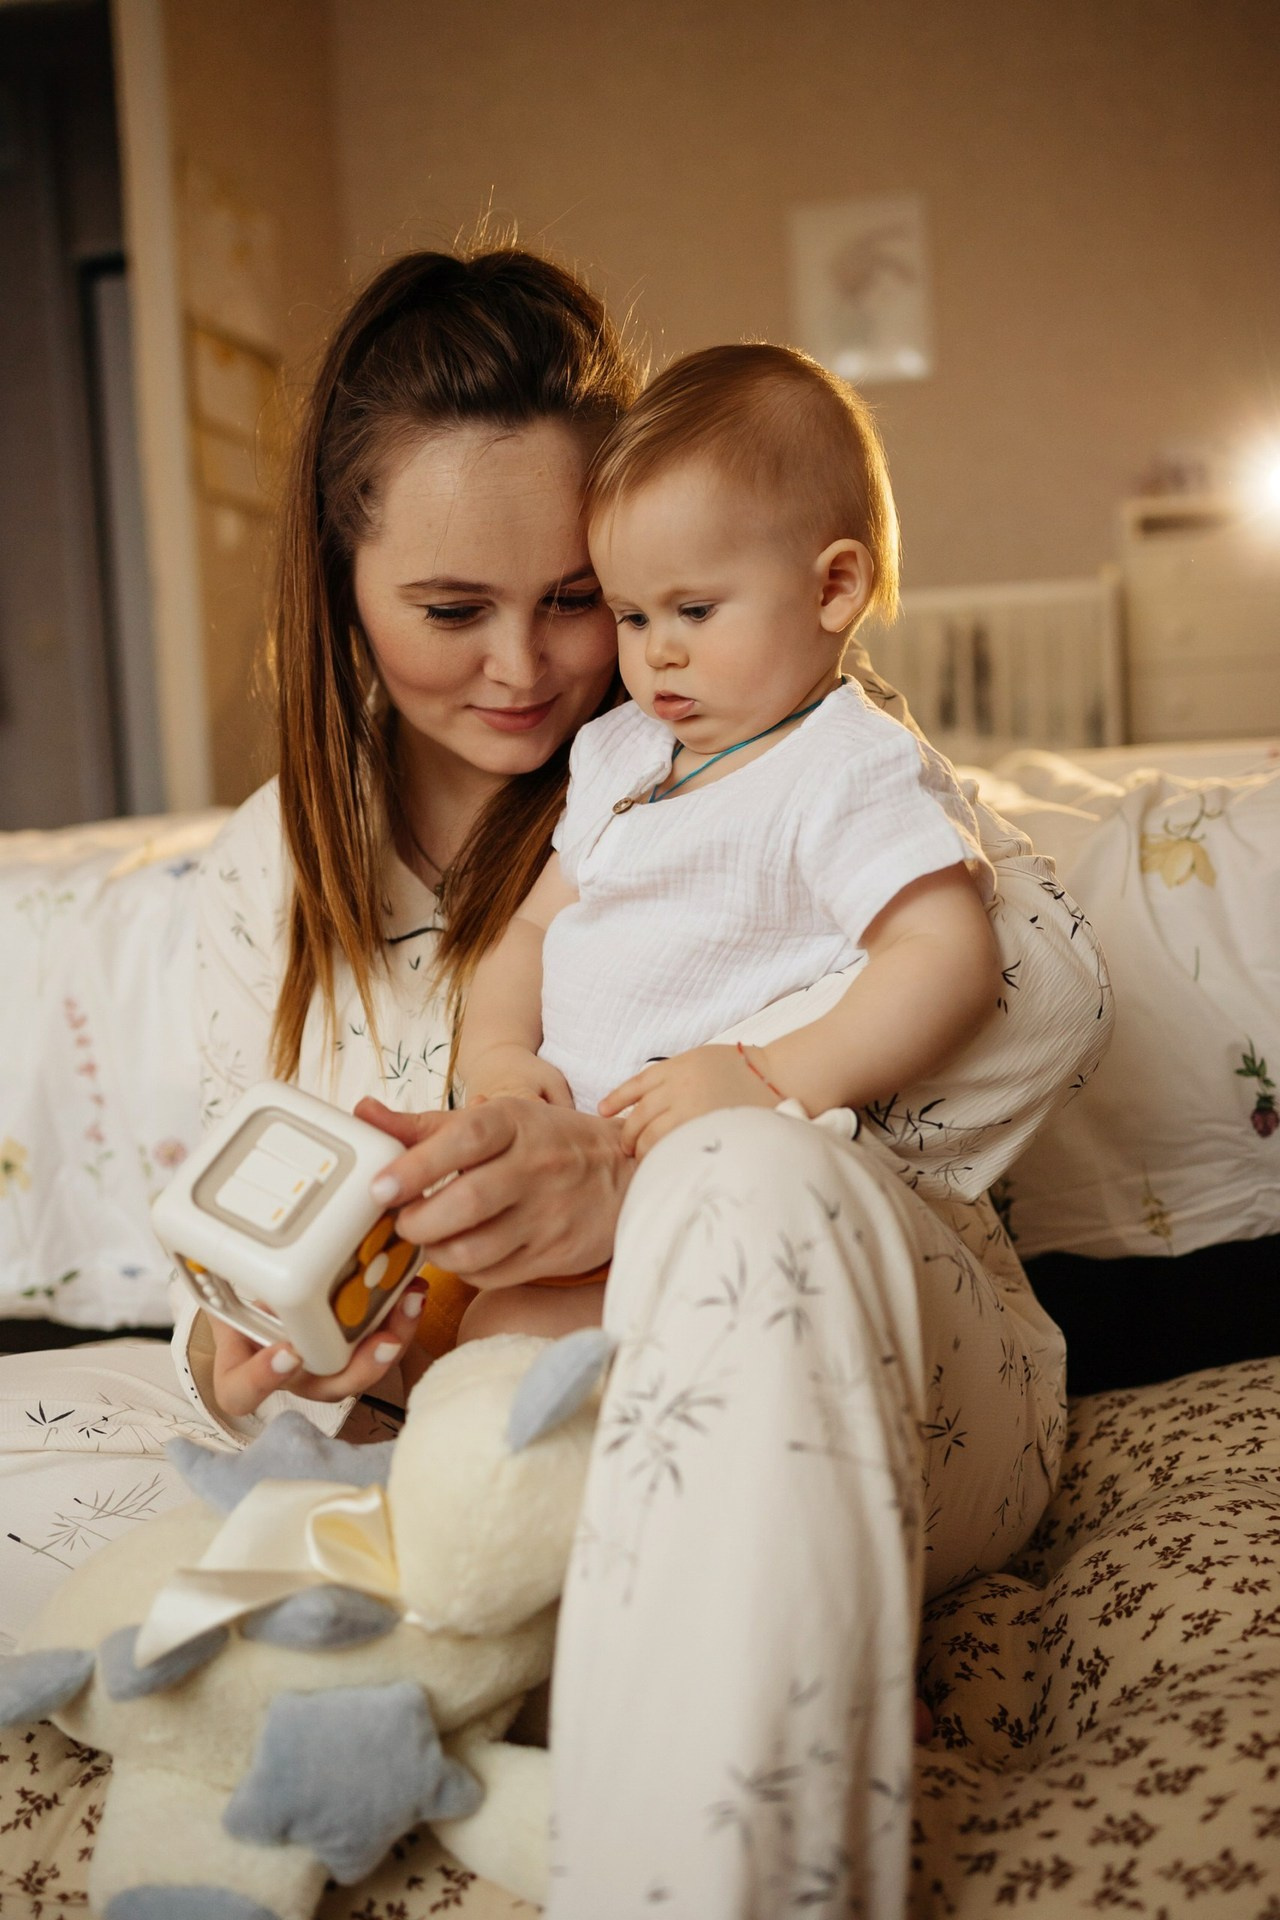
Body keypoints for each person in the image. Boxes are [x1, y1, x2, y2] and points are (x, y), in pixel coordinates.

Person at [0, 243, 1111, 1920]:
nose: (526, 667)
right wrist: (278, 1348)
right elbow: (244, 1229)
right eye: (453, 610)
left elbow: (1050, 993)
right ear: (343, 587)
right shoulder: (273, 876)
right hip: (513, 1431)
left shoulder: (759, 730)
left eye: (577, 597)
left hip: (887, 1365)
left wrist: (653, 1149)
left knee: (737, 1170)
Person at [456, 344, 1002, 1344]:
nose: (656, 650)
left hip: (719, 1196)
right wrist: (493, 1052)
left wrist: (770, 1076)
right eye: (629, 615)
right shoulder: (620, 752)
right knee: (465, 1319)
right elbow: (530, 931)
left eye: (695, 610)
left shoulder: (843, 766)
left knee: (552, 1342)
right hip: (572, 1173)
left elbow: (947, 954)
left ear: (833, 588)